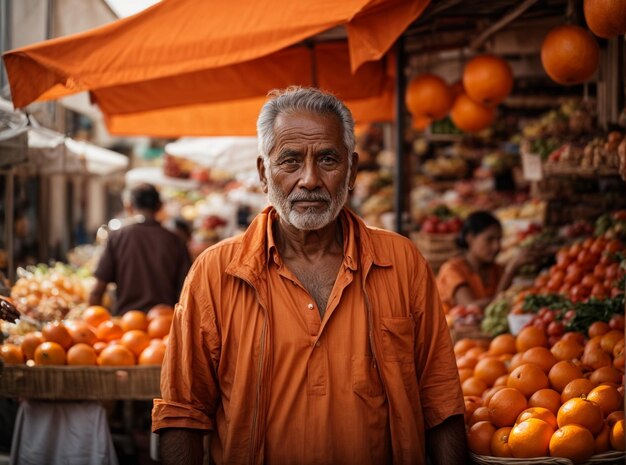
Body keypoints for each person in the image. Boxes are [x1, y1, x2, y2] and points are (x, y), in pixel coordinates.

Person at [153, 87, 466, 465]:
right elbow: (183, 412)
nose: (310, 180)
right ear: (263, 174)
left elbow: (440, 398)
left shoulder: (403, 263)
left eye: (328, 160)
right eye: (290, 161)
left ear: (352, 172)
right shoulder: (215, 273)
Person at [88, 183, 191, 315]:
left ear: (128, 206)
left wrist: (93, 322)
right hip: (165, 324)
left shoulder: (117, 237)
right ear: (159, 206)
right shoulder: (176, 240)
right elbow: (186, 290)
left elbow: (97, 290)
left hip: (127, 325)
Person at [437, 210, 528, 310]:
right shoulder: (452, 270)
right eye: (489, 239)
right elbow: (471, 308)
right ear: (470, 238)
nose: (496, 246)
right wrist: (510, 271)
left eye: (499, 240)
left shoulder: (497, 269)